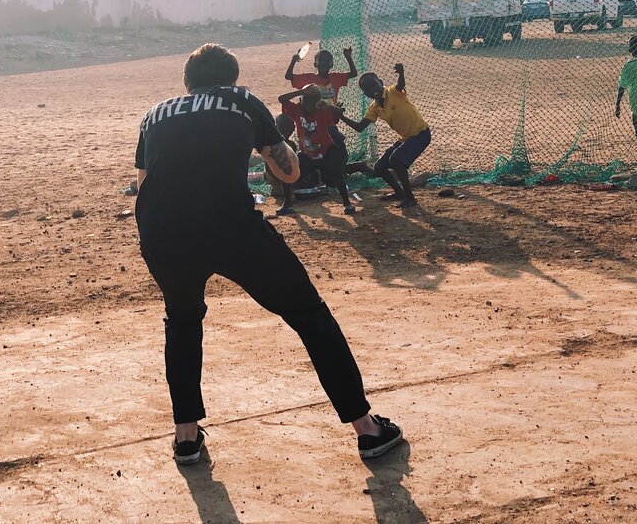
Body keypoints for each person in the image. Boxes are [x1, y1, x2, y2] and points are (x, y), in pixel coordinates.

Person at [134, 43, 402, 466]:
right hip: (229, 225)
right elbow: (289, 171)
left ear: (187, 82)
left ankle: (186, 437)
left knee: (182, 322)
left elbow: (143, 181)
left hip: (161, 233)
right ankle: (367, 429)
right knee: (309, 315)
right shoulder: (239, 100)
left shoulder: (156, 113)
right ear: (232, 78)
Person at [337, 63, 430, 209]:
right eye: (367, 89)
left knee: (396, 160)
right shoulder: (374, 107)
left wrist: (401, 73)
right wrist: (340, 116)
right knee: (380, 167)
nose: (371, 90)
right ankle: (399, 193)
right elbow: (360, 127)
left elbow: (401, 85)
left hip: (421, 134)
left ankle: (410, 197)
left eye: (373, 85)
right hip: (407, 138)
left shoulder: (393, 91)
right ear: (365, 93)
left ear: (380, 82)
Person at [277, 85, 357, 216]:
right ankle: (287, 203)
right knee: (288, 173)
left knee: (337, 176)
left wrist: (328, 106)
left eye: (313, 101)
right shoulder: (297, 110)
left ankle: (347, 203)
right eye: (306, 100)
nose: (309, 104)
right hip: (307, 154)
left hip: (326, 151)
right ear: (301, 99)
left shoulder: (323, 112)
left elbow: (339, 112)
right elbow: (282, 99)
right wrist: (301, 91)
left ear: (318, 102)